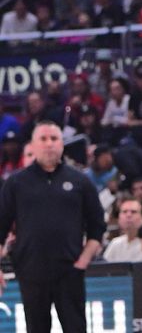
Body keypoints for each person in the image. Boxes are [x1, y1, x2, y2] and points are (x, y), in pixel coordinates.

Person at [0, 122, 106, 333]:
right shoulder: (16, 182)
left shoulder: (80, 181)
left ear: (62, 144)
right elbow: (1, 227)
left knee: (76, 328)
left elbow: (97, 226)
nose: (49, 144)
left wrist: (83, 261)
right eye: (43, 139)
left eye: (54, 139)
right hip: (30, 271)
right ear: (33, 144)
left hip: (70, 271)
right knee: (36, 328)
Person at [103, 197, 142, 261]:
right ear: (119, 217)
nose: (128, 215)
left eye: (133, 212)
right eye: (124, 212)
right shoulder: (115, 243)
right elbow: (105, 267)